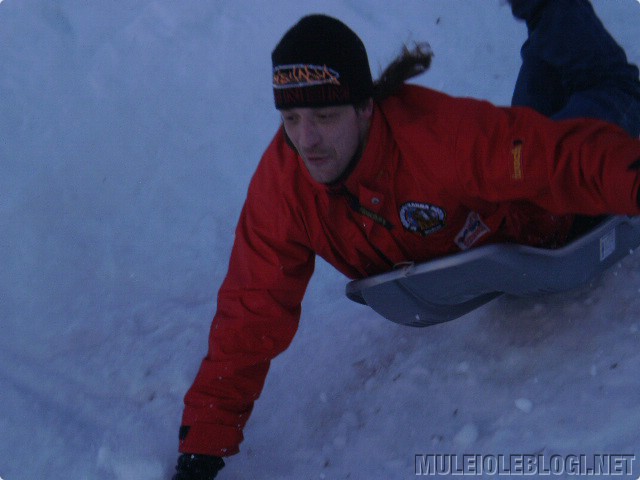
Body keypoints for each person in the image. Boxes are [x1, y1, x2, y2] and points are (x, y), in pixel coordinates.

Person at [171, 1, 640, 478]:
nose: (306, 140)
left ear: (364, 108)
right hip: (514, 171)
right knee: (538, 101)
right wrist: (202, 450)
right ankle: (548, 23)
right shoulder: (286, 182)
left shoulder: (437, 139)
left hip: (552, 208)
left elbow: (564, 163)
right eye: (290, 119)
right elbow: (250, 311)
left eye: (325, 116)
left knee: (610, 89)